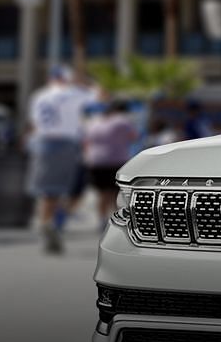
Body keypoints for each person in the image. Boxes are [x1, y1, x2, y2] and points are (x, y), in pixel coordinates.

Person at [26, 65, 92, 254]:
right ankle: (56, 223)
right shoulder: (73, 93)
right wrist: (84, 83)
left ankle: (48, 223)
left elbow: (34, 122)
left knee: (48, 192)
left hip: (43, 142)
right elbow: (101, 95)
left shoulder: (38, 95)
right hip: (65, 143)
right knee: (73, 189)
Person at [81, 97, 139, 230]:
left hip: (95, 161)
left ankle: (101, 219)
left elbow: (86, 141)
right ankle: (117, 221)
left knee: (102, 193)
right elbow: (134, 137)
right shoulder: (123, 120)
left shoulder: (94, 121)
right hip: (116, 160)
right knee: (116, 193)